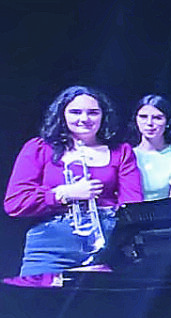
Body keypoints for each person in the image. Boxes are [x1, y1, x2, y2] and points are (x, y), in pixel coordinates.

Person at [4, 85, 143, 275]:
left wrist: (115, 248)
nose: (84, 119)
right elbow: (15, 202)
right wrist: (64, 194)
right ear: (62, 115)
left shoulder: (121, 151)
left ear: (103, 116)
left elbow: (133, 207)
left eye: (93, 113)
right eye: (75, 112)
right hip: (50, 249)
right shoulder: (38, 148)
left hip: (106, 246)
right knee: (37, 302)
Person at [128, 94, 171, 201]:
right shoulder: (126, 155)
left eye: (157, 118)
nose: (149, 123)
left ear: (168, 122)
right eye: (143, 117)